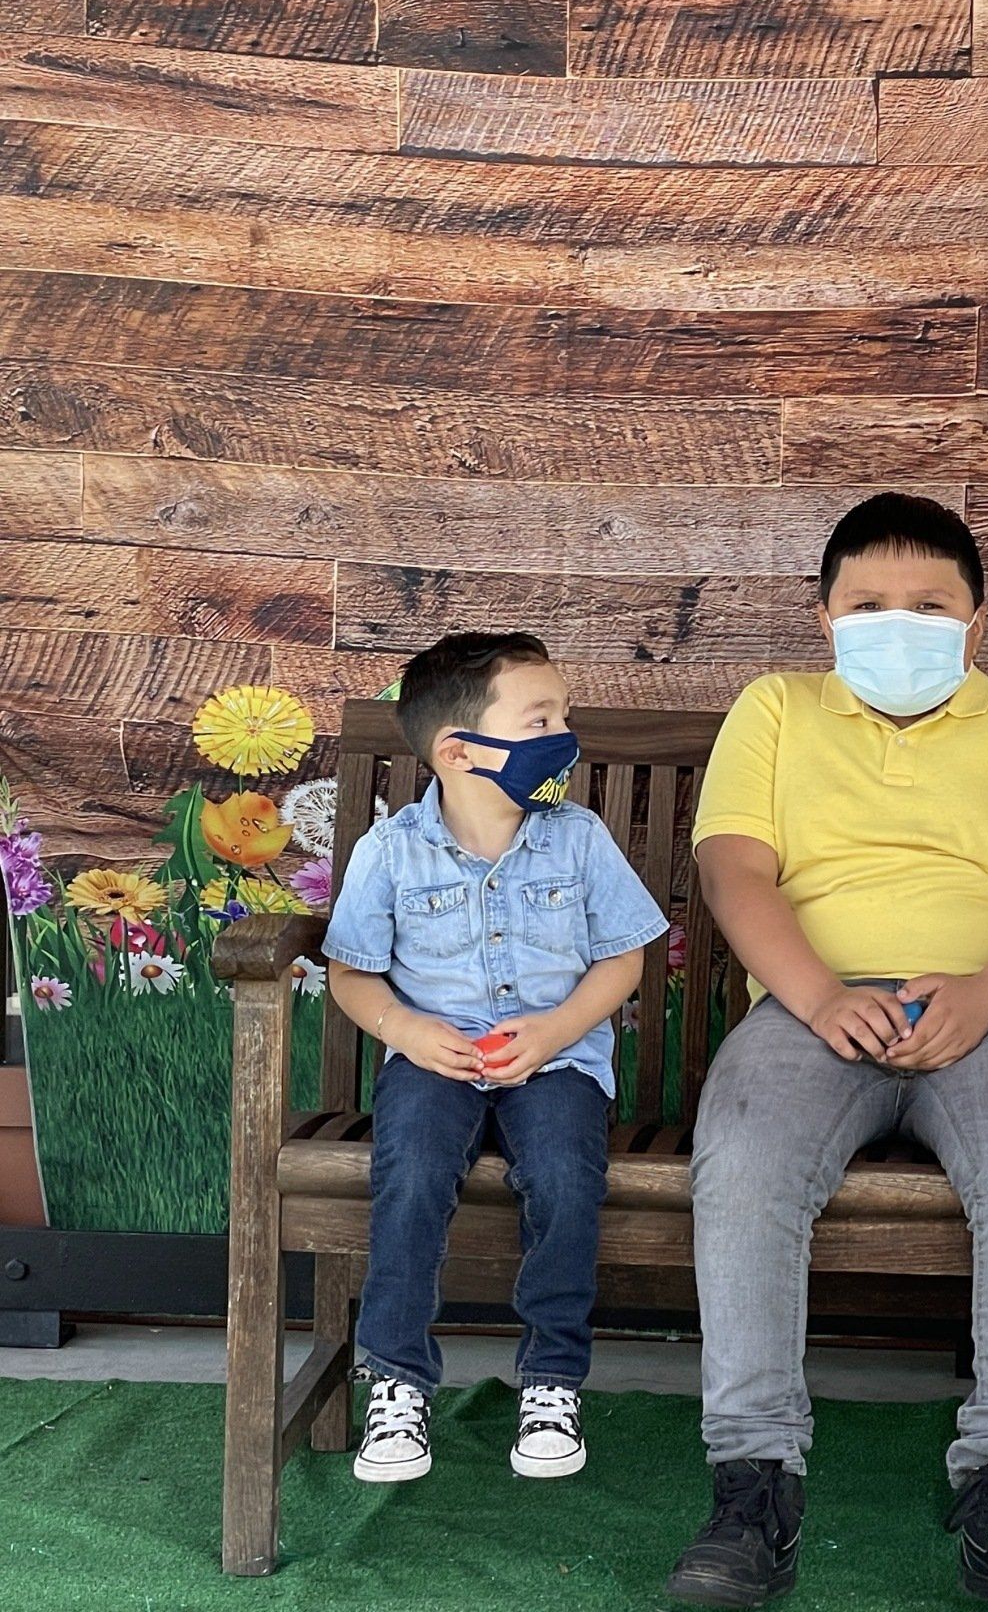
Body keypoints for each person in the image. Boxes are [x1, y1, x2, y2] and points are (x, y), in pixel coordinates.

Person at [666, 494, 988, 1611]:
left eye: (930, 605)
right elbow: (736, 871)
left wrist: (987, 993)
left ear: (976, 620)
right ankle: (753, 1480)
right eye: (869, 604)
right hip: (814, 1012)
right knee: (746, 1159)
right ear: (824, 616)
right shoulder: (773, 709)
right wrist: (816, 994)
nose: (898, 622)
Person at [322, 631, 666, 1484]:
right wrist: (405, 1031)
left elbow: (623, 955)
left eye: (564, 716)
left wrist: (553, 1033)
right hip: (433, 1062)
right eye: (540, 719)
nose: (563, 737)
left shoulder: (577, 838)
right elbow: (351, 973)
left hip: (553, 1063)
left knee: (563, 1175)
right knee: (410, 1173)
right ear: (459, 750)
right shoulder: (392, 852)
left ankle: (551, 1377)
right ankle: (396, 1382)